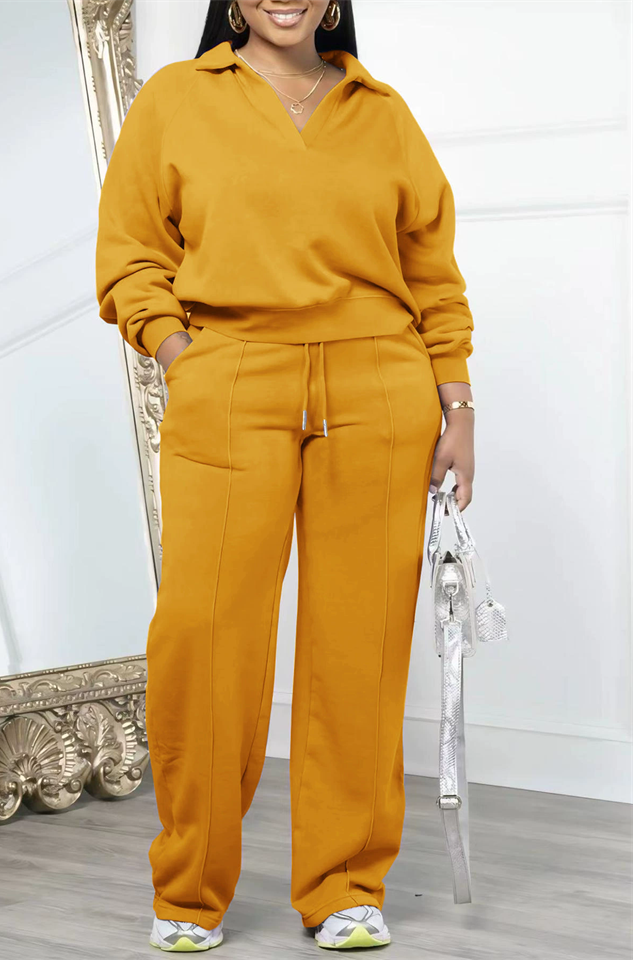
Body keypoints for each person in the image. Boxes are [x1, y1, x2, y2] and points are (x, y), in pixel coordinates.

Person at [95, 0, 475, 951]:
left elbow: (433, 273)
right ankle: (189, 891)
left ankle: (345, 886)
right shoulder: (176, 99)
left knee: (359, 644)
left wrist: (459, 407)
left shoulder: (381, 112)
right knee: (204, 637)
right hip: (232, 375)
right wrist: (180, 353)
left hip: (379, 385)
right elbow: (132, 251)